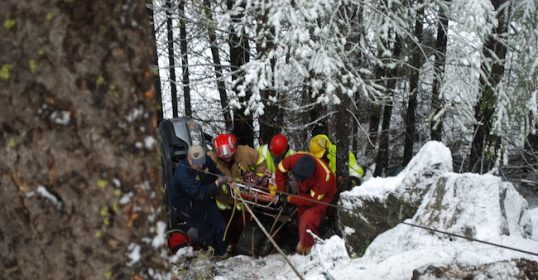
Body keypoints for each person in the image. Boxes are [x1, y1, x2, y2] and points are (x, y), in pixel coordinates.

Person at [171, 144, 228, 256]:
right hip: (189, 205)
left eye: (202, 161)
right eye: (197, 163)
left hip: (205, 200)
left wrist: (223, 177)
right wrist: (217, 184)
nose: (201, 165)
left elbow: (214, 170)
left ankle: (223, 253)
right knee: (206, 234)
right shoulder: (183, 174)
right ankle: (212, 255)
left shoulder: (204, 160)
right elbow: (200, 193)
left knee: (221, 227)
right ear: (189, 158)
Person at [275, 153, 336, 255]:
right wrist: (281, 192)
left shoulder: (324, 179)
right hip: (306, 189)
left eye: (301, 178)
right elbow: (280, 170)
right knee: (300, 215)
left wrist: (290, 198)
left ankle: (307, 249)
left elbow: (310, 200)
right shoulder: (295, 159)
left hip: (322, 195)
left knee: (308, 219)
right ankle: (298, 236)